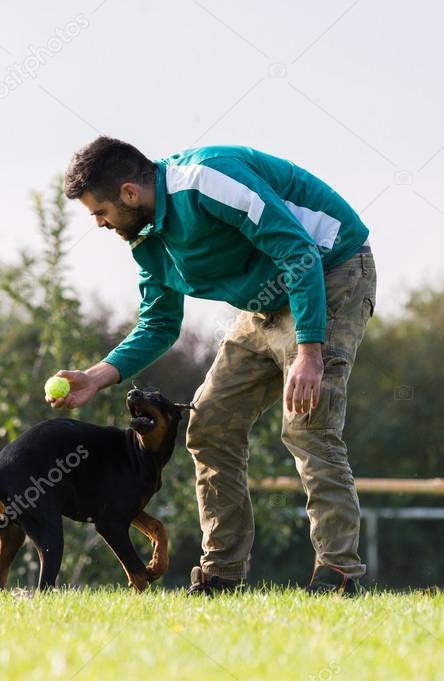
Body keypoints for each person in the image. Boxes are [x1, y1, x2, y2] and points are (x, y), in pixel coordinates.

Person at [50, 136, 376, 596]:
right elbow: (160, 323)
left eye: (99, 213)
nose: (100, 224)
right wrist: (98, 375)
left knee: (308, 424)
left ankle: (339, 574)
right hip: (264, 304)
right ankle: (222, 574)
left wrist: (308, 352)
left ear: (129, 193)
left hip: (331, 271)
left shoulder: (207, 181)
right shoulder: (146, 239)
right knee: (209, 424)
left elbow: (299, 251)